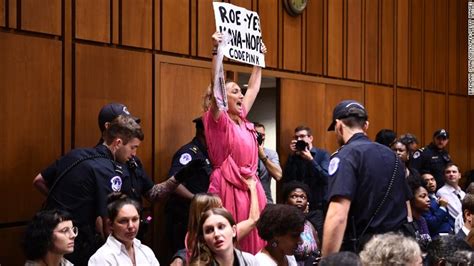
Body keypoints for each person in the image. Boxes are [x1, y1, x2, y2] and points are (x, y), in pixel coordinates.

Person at [33, 115, 189, 265]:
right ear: (118, 143)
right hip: (74, 241)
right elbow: (106, 222)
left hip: (47, 237)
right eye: (133, 148)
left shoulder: (75, 154)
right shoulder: (108, 170)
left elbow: (39, 180)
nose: (134, 154)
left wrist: (67, 205)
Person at [202, 31, 267, 253]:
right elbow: (217, 84)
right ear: (222, 98)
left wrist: (259, 60)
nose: (242, 96)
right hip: (228, 186)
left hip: (251, 187)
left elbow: (255, 88)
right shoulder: (219, 120)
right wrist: (217, 51)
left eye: (241, 92)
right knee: (231, 240)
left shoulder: (243, 119)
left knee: (257, 239)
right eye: (235, 92)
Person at [322, 100, 411, 256]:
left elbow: (338, 215)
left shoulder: (346, 156)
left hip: (366, 251)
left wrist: (327, 260)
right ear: (366, 126)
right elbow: (406, 204)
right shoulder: (393, 156)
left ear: (338, 125)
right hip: (398, 248)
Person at [171, 177, 259, 266]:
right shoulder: (223, 234)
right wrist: (253, 188)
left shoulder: (190, 235)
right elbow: (253, 220)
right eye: (220, 207)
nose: (224, 209)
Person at [165, 117, 212, 254]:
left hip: (200, 216)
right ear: (204, 131)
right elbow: (173, 182)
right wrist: (194, 199)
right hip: (184, 216)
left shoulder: (208, 152)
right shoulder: (189, 152)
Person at [282, 125, 330, 238]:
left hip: (318, 207)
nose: (299, 140)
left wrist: (311, 160)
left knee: (317, 238)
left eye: (302, 136)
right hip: (297, 206)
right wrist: (292, 157)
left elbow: (326, 178)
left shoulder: (322, 155)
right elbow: (286, 181)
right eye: (296, 137)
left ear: (310, 138)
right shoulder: (294, 157)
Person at [89, 193, 160, 265]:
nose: (131, 226)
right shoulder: (101, 258)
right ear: (110, 224)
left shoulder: (146, 252)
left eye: (135, 219)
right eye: (123, 221)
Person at [189, 208, 259, 265]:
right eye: (209, 230)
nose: (216, 234)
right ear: (203, 238)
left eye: (221, 227)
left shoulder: (250, 261)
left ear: (234, 231)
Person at [282, 181, 320, 265]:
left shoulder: (310, 224)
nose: (299, 200)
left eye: (303, 197)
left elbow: (317, 248)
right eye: (294, 196)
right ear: (286, 202)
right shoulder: (282, 224)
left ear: (307, 203)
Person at [254, 122, 282, 203]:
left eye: (263, 135)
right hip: (247, 200)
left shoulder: (271, 154)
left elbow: (278, 175)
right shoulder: (242, 153)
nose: (261, 138)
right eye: (258, 134)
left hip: (266, 201)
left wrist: (262, 156)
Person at [420, 172, 453, 236]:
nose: (431, 182)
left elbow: (448, 218)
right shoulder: (424, 201)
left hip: (450, 234)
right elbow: (432, 223)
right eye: (427, 180)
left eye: (432, 179)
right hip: (438, 237)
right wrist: (442, 207)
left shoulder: (438, 198)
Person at [436, 163, 466, 233]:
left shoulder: (462, 193)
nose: (451, 174)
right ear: (444, 176)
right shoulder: (442, 192)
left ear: (459, 175)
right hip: (458, 230)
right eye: (448, 172)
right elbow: (458, 213)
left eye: (454, 172)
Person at [406, 176, 432, 250]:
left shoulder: (422, 220)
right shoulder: (406, 223)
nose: (428, 199)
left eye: (427, 196)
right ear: (411, 200)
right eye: (423, 196)